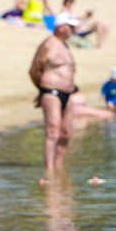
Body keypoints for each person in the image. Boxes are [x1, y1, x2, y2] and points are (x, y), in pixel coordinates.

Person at [29, 12, 80, 169]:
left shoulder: (65, 46)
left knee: (65, 134)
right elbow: (33, 70)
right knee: (53, 133)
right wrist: (42, 91)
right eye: (70, 26)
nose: (73, 29)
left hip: (68, 94)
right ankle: (49, 169)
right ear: (61, 27)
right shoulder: (48, 45)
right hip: (51, 92)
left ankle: (59, 169)